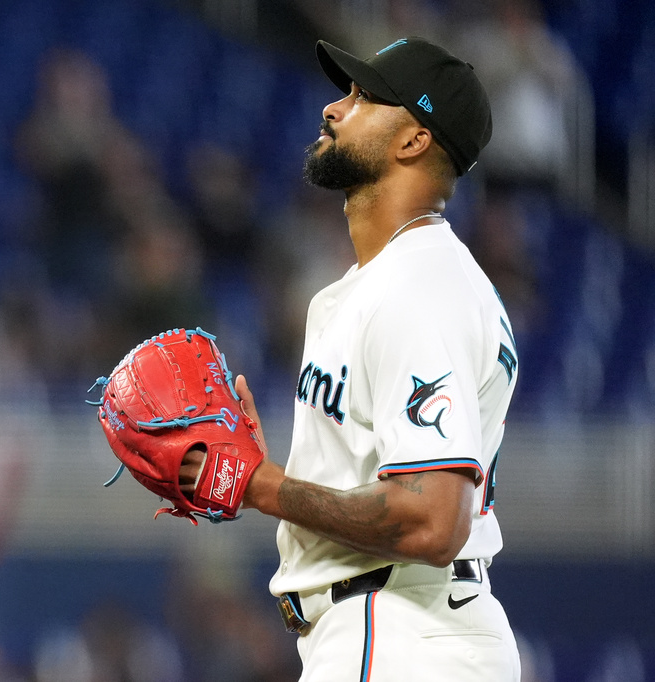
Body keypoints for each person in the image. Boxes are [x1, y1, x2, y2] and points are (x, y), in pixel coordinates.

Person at [182, 36, 521, 680]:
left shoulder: (417, 284)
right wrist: (270, 469)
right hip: (401, 627)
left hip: (398, 627)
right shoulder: (393, 282)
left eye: (364, 96)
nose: (334, 109)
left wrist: (261, 485)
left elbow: (430, 517)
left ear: (413, 141)